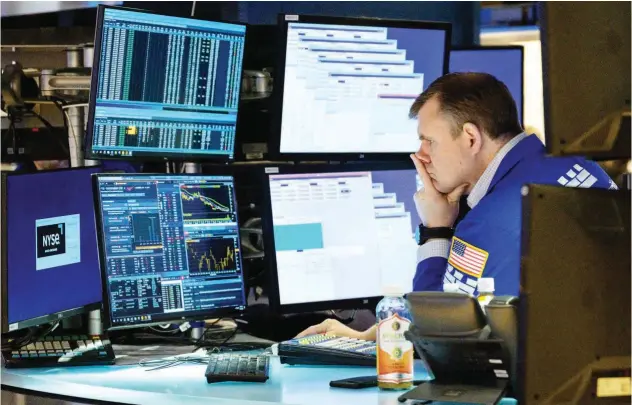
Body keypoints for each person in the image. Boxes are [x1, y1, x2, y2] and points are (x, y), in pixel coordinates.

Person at [297, 72, 617, 340]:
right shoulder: (578, 166)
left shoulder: (490, 221)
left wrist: (436, 230)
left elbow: (438, 334)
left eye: (429, 141)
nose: (420, 156)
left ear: (470, 138)